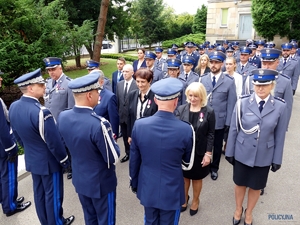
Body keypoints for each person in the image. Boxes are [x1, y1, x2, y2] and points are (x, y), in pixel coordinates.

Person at [9, 68, 74, 225]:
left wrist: (29, 148)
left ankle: (45, 221)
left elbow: (16, 134)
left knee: (39, 194)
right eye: (40, 84)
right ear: (30, 88)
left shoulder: (14, 107)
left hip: (33, 159)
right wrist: (65, 160)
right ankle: (57, 222)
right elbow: (54, 141)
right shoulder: (42, 112)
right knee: (53, 195)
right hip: (49, 163)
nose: (44, 86)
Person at [225, 69, 288, 225]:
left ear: (272, 85)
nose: (260, 89)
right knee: (240, 183)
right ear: (253, 85)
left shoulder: (280, 107)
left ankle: (249, 212)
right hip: (242, 151)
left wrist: (277, 158)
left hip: (264, 155)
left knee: (255, 186)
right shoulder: (243, 102)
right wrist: (230, 151)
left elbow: (280, 135)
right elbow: (234, 129)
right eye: (257, 85)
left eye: (265, 85)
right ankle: (238, 209)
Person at [129, 77, 195, 225]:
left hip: (148, 185)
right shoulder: (186, 129)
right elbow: (187, 163)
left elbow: (134, 160)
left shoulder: (139, 125)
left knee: (150, 221)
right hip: (172, 187)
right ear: (176, 101)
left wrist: (134, 182)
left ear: (156, 100)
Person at [58, 72, 120, 225]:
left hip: (80, 180)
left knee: (90, 219)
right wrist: (114, 144)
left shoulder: (63, 116)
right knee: (106, 220)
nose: (100, 94)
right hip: (101, 184)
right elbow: (113, 157)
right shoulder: (100, 123)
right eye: (97, 91)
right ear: (89, 95)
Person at [175, 82, 215, 216]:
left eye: (196, 96)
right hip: (184, 152)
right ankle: (184, 199)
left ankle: (196, 200)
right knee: (185, 177)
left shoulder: (209, 111)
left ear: (202, 96)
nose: (192, 99)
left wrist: (208, 154)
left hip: (200, 152)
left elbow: (211, 133)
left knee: (197, 178)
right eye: (190, 95)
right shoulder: (181, 109)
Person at [199, 51, 237, 180]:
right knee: (203, 143)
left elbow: (232, 103)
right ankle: (204, 165)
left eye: (217, 62)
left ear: (222, 64)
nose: (214, 65)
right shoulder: (203, 79)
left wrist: (228, 122)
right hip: (203, 119)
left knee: (216, 145)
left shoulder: (229, 81)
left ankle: (214, 168)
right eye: (212, 62)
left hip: (220, 120)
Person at [0, 75, 31, 217]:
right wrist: (11, 148)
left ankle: (6, 199)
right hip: (4, 147)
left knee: (2, 175)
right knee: (9, 176)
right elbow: (2, 129)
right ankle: (10, 206)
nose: (1, 79)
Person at [43, 57, 75, 179]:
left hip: (63, 122)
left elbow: (71, 107)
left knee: (67, 144)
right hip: (51, 122)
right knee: (57, 144)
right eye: (49, 70)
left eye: (53, 69)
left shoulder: (69, 83)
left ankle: (71, 166)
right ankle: (62, 164)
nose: (51, 72)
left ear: (60, 68)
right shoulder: (48, 83)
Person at [127, 68, 158, 146]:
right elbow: (130, 117)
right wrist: (130, 135)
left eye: (143, 82)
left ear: (150, 81)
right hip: (135, 134)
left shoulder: (156, 97)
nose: (140, 85)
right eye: (137, 81)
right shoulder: (132, 95)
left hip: (150, 136)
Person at [116, 64, 138, 163]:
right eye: (123, 71)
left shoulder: (136, 84)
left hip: (133, 117)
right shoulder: (119, 84)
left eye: (126, 72)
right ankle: (127, 153)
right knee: (125, 136)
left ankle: (135, 154)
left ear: (132, 73)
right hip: (122, 116)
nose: (124, 73)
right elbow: (118, 101)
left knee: (133, 136)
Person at [94, 70, 119, 137]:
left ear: (101, 82)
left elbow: (113, 118)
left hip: (104, 135)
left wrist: (114, 135)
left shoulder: (109, 97)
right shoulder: (88, 94)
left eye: (94, 81)